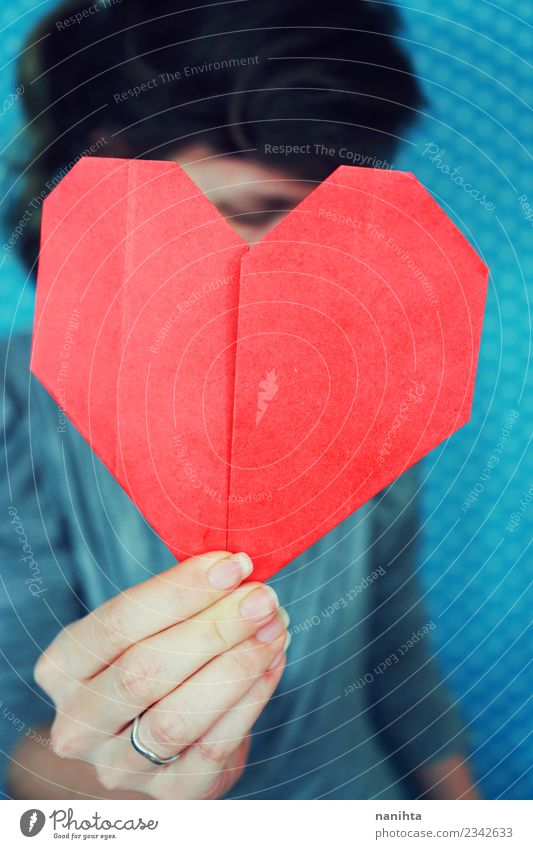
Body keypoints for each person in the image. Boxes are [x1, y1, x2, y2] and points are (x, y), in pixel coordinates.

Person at [1, 0, 478, 800]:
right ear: (106, 179)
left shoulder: (370, 384)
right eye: (241, 214)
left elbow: (396, 645)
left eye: (323, 227)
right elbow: (19, 752)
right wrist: (141, 775)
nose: (293, 275)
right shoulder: (17, 409)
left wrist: (462, 816)